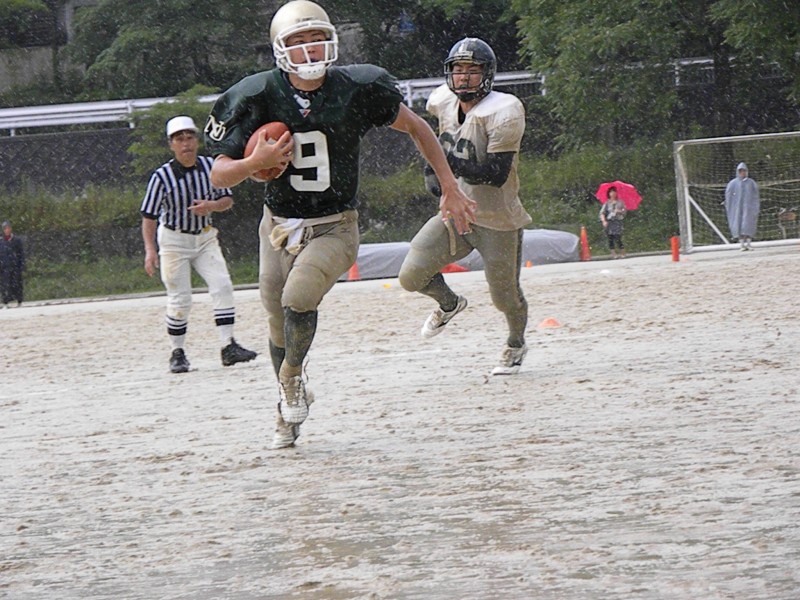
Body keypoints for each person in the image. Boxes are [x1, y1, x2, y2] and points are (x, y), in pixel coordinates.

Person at [204, 0, 476, 449]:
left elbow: (418, 128)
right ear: (280, 49)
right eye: (299, 40)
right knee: (276, 319)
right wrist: (254, 162)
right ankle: (288, 408)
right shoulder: (256, 94)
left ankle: (291, 378)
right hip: (277, 224)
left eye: (317, 38)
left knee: (298, 298)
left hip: (334, 224)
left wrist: (448, 186)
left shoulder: (356, 87)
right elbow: (219, 174)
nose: (310, 49)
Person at [397, 37, 532, 376]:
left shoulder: (505, 110)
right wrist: (434, 172)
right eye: (458, 69)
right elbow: (433, 144)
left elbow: (496, 174)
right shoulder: (441, 101)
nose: (464, 77)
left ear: (487, 74)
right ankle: (449, 303)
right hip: (455, 213)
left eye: (473, 70)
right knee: (411, 276)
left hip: (497, 219)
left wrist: (446, 164)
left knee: (504, 297)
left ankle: (516, 343)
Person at [141, 115, 257, 374]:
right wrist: (150, 249)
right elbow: (149, 216)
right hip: (174, 240)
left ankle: (228, 345)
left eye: (189, 137)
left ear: (197, 140)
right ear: (171, 145)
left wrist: (211, 206)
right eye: (179, 139)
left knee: (222, 285)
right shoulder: (162, 177)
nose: (186, 144)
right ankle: (177, 352)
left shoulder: (210, 167)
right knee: (180, 298)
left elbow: (227, 199)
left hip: (204, 237)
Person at [724, 162, 760, 250]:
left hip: (749, 208)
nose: (742, 173)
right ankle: (742, 244)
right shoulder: (732, 183)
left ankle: (749, 243)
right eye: (741, 171)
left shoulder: (751, 183)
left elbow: (756, 196)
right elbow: (728, 197)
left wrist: (755, 207)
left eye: (744, 171)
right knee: (738, 225)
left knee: (748, 224)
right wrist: (730, 207)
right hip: (737, 209)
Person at [0, 220, 25, 308]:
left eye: (8, 228)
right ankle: (6, 302)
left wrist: (21, 265)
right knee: (5, 285)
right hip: (4, 268)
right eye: (5, 228)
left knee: (17, 284)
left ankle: (19, 301)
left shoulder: (16, 240)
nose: (7, 230)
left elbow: (21, 254)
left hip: (15, 267)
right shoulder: (1, 241)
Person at [599, 186, 627, 258]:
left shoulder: (620, 202)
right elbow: (602, 213)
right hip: (610, 221)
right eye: (611, 192)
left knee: (618, 237)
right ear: (609, 193)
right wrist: (604, 221)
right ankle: (613, 253)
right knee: (610, 238)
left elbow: (624, 211)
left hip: (617, 221)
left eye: (614, 192)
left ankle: (622, 252)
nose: (613, 193)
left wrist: (619, 211)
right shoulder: (607, 203)